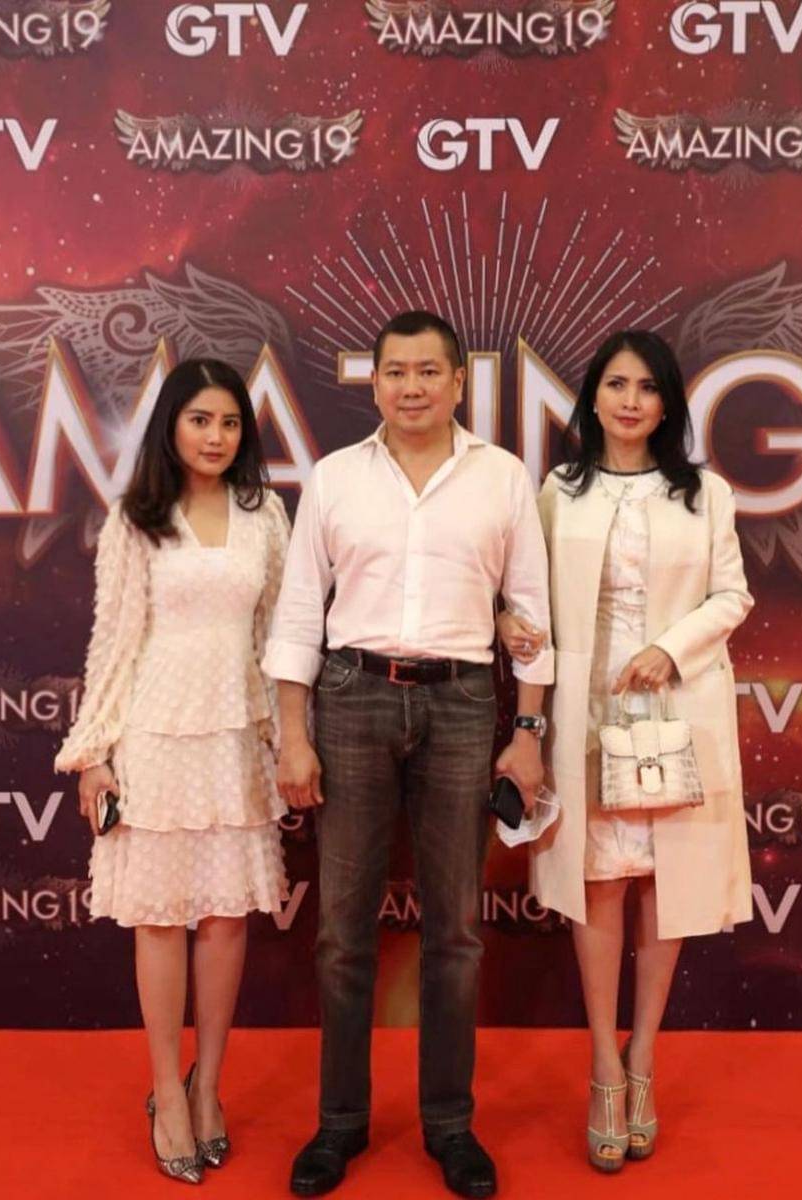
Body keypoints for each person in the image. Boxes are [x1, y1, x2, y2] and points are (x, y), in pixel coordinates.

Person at [264, 310, 553, 1199]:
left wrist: (529, 734)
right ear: (375, 381)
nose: (413, 387)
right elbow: (299, 613)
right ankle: (340, 1123)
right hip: (351, 697)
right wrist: (293, 734)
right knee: (342, 931)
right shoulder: (335, 478)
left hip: (463, 702)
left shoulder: (502, 477)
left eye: (430, 371)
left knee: (455, 931)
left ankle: (450, 1126)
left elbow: (532, 614)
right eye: (396, 372)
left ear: (460, 382)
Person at [500, 329, 753, 1173]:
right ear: (593, 397)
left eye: (647, 387)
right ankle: (603, 1067)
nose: (631, 401)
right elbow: (529, 594)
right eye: (616, 384)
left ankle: (644, 1058)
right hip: (587, 709)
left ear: (668, 402)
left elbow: (732, 595)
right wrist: (510, 622)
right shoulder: (559, 490)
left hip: (674, 704)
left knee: (663, 883)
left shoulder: (704, 493)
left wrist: (671, 649)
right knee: (599, 880)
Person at [55, 359, 290, 1184]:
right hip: (154, 734)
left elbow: (276, 636)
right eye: (200, 421)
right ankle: (165, 1089)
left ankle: (208, 1087)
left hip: (236, 738)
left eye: (229, 423)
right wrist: (94, 752)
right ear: (171, 427)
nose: (215, 437)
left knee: (226, 919)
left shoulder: (266, 514)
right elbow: (113, 639)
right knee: (160, 919)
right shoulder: (137, 519)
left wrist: (285, 738)